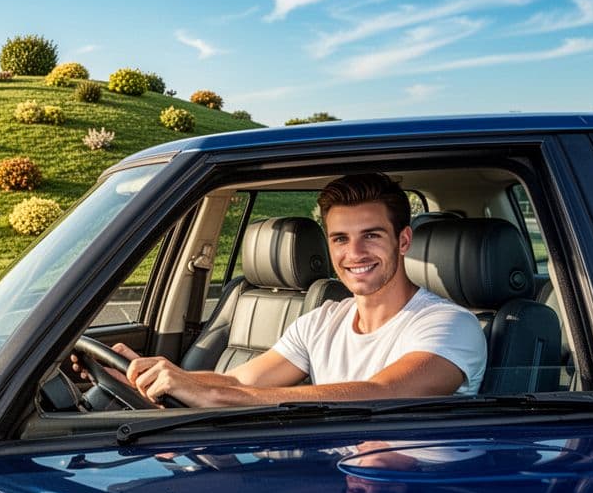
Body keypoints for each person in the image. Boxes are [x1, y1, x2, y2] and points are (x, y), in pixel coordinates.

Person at [103, 172, 487, 408]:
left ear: (403, 241)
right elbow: (240, 381)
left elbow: (383, 393)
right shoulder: (323, 320)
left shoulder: (450, 324)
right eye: (340, 239)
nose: (354, 253)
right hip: (330, 481)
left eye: (371, 236)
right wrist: (153, 378)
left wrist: (214, 397)